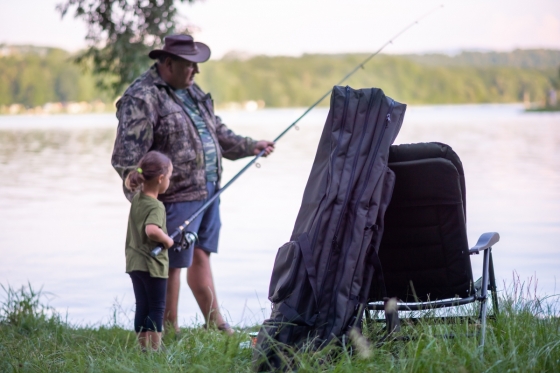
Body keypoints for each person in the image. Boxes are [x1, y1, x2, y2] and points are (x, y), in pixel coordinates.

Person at [111, 34, 275, 335]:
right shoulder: (142, 97)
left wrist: (250, 145)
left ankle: (216, 325)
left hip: (210, 188)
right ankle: (168, 329)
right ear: (168, 63)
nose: (196, 72)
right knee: (171, 261)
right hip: (175, 194)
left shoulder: (192, 90)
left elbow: (217, 132)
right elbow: (128, 157)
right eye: (190, 65)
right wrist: (138, 191)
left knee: (200, 254)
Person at [124, 151, 175, 351]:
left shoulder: (137, 198)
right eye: (169, 177)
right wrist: (167, 240)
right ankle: (154, 350)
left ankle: (142, 347)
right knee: (156, 308)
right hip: (153, 266)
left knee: (142, 306)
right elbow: (152, 230)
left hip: (134, 263)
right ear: (161, 179)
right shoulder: (156, 206)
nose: (169, 181)